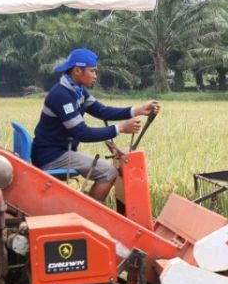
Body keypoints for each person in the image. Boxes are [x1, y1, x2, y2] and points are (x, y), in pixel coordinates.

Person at [32, 48, 161, 202]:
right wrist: (120, 128)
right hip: (52, 156)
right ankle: (89, 217)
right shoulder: (62, 96)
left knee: (107, 171)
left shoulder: (77, 91)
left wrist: (138, 110)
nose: (95, 76)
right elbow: (82, 133)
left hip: (56, 151)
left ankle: (86, 212)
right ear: (78, 71)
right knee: (108, 172)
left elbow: (102, 111)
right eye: (92, 71)